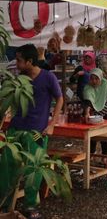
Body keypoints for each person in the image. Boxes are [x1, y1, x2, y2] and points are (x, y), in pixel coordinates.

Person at [6, 44, 63, 217]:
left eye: (19, 60)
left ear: (30, 62)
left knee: (34, 170)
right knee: (7, 167)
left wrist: (52, 124)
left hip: (37, 131)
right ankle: (4, 204)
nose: (16, 64)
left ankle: (30, 206)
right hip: (14, 129)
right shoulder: (19, 79)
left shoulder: (48, 78)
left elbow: (59, 99)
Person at [83, 68, 107, 159]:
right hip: (93, 113)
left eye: (96, 79)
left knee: (105, 134)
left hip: (106, 112)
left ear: (100, 78)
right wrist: (87, 112)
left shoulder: (105, 84)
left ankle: (105, 156)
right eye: (92, 78)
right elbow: (88, 101)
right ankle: (91, 154)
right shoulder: (87, 87)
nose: (94, 81)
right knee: (92, 135)